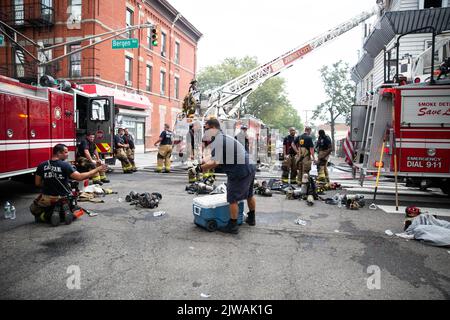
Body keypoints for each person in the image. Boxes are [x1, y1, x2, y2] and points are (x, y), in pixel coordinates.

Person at [189, 119, 256, 234]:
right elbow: (212, 155)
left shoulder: (219, 140)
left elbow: (215, 162)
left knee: (232, 198)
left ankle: (233, 225)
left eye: (206, 128)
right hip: (249, 166)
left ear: (214, 128)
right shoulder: (222, 138)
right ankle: (251, 218)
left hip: (239, 170)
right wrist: (201, 161)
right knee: (249, 194)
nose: (205, 131)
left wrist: (199, 169)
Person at [31, 144, 107, 226]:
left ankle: (44, 216)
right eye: (66, 152)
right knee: (77, 211)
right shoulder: (65, 165)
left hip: (46, 199)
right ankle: (61, 213)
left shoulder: (42, 165)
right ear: (59, 153)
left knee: (36, 210)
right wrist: (97, 169)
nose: (68, 154)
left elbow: (37, 183)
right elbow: (80, 177)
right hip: (62, 198)